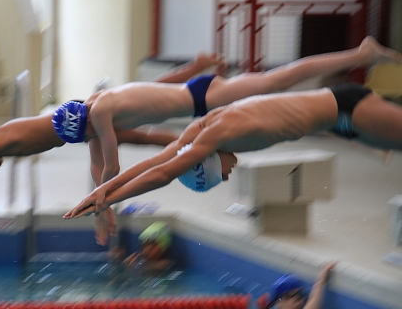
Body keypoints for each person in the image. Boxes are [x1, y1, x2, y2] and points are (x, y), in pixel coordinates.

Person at [52, 37, 402, 195]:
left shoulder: (101, 115)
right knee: (290, 104)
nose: (87, 141)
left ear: (84, 123)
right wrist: (100, 198)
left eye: (84, 136)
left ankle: (360, 54)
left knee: (281, 80)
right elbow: (102, 164)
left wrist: (104, 198)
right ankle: (365, 134)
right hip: (198, 99)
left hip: (205, 97)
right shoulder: (96, 111)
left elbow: (112, 166)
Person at [0, 52, 225, 205]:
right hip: (76, 129)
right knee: (145, 110)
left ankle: (200, 99)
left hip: (75, 122)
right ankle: (200, 124)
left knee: (145, 114)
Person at [64, 79, 402, 219]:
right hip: (341, 122)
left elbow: (164, 173)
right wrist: (103, 190)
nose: (229, 176)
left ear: (206, 163)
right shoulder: (196, 134)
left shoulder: (215, 135)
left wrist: (107, 200)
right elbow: (160, 160)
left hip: (346, 109)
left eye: (221, 176)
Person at [261, 261, 338, 309]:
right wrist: (321, 281)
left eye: (299, 295)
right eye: (288, 296)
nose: (295, 299)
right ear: (278, 302)